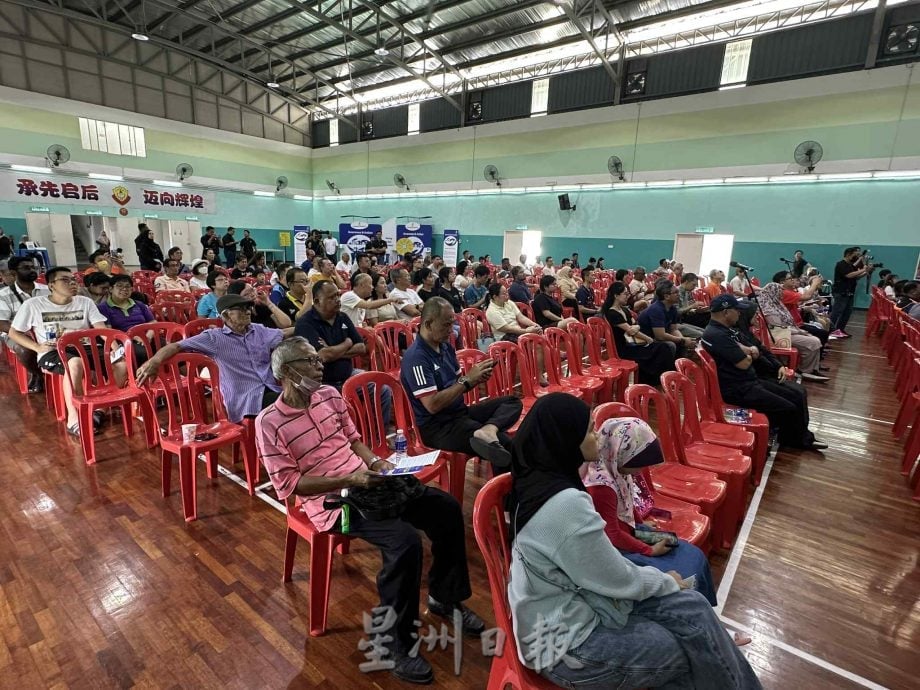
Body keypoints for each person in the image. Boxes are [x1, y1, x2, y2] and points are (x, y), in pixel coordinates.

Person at [255, 337, 483, 684]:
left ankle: (443, 598)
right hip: (332, 501)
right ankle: (397, 645)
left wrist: (377, 463)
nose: (320, 366)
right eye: (310, 361)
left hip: (366, 479)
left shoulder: (330, 396)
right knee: (404, 543)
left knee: (444, 508)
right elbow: (290, 484)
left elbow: (353, 440)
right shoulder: (269, 423)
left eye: (319, 359)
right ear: (287, 372)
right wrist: (351, 478)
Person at [507, 393, 762, 688]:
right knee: (698, 648)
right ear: (566, 438)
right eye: (590, 430)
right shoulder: (565, 505)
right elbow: (614, 577)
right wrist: (667, 581)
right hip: (566, 647)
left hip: (583, 606)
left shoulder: (538, 479)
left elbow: (605, 569)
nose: (598, 438)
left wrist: (664, 582)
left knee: (693, 610)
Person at [582, 416, 718, 606]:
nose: (640, 471)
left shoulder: (615, 467)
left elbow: (627, 498)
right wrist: (649, 550)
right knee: (686, 570)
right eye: (637, 465)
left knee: (693, 553)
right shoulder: (601, 486)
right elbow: (611, 534)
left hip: (631, 531)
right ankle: (697, 609)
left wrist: (640, 522)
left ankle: (707, 610)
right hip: (616, 546)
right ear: (619, 452)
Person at [401, 298, 523, 469]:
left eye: (452, 324)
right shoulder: (416, 358)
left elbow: (458, 386)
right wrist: (467, 380)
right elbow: (432, 405)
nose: (451, 330)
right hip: (437, 427)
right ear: (428, 324)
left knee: (512, 402)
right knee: (502, 446)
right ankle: (505, 492)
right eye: (446, 325)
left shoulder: (445, 348)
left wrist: (477, 378)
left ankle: (488, 430)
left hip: (459, 414)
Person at [137, 293, 294, 422]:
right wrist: (155, 360)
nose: (247, 312)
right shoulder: (214, 338)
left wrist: (308, 325)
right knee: (291, 404)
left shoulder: (258, 330)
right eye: (240, 309)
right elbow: (177, 346)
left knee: (304, 395)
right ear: (225, 315)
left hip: (271, 388)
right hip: (246, 398)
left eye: (248, 308)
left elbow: (285, 333)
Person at [701, 294, 827, 450]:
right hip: (738, 389)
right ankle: (792, 440)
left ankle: (799, 437)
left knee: (796, 395)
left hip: (749, 382)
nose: (739, 314)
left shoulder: (725, 331)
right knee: (788, 407)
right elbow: (744, 363)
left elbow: (753, 349)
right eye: (736, 310)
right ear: (726, 312)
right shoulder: (716, 334)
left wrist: (749, 350)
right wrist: (749, 351)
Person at [9, 267, 123, 437]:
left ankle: (100, 410)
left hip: (86, 348)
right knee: (75, 363)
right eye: (65, 280)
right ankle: (74, 418)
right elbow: (14, 333)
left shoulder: (85, 302)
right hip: (53, 350)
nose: (71, 283)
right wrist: (38, 348)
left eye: (73, 280)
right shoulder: (33, 305)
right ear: (51, 285)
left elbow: (102, 330)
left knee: (122, 364)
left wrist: (117, 351)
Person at [294, 281, 392, 422]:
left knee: (381, 389)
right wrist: (347, 343)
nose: (337, 300)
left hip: (348, 374)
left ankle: (378, 436)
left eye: (338, 295)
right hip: (322, 383)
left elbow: (361, 347)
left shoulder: (342, 317)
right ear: (316, 301)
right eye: (331, 297)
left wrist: (333, 351)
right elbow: (323, 356)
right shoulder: (305, 323)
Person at [601, 282, 675, 386]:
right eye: (625, 294)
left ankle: (660, 380)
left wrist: (635, 328)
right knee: (662, 348)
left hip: (633, 344)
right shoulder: (612, 313)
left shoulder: (625, 310)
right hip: (624, 348)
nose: (628, 296)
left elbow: (636, 325)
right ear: (616, 295)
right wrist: (649, 339)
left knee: (664, 347)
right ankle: (659, 381)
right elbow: (631, 330)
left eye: (628, 294)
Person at [759, 280, 829, 382]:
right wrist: (799, 332)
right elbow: (780, 327)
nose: (781, 293)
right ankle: (805, 371)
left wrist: (799, 331)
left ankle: (813, 369)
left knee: (814, 339)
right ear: (773, 293)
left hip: (788, 332)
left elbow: (788, 324)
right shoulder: (769, 310)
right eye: (779, 291)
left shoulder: (777, 305)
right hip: (778, 336)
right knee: (813, 341)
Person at [0, 256, 51, 391]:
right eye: (26, 268)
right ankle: (39, 375)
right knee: (25, 349)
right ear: (13, 273)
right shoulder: (4, 294)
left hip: (47, 330)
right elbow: (2, 322)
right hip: (17, 333)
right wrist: (22, 332)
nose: (32, 270)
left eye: (33, 267)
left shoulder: (47, 290)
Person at [637, 280, 695, 359]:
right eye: (675, 293)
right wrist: (682, 340)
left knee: (682, 342)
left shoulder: (672, 308)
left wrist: (683, 339)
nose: (678, 294)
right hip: (647, 341)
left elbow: (673, 329)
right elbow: (660, 336)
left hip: (658, 337)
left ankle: (679, 367)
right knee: (671, 345)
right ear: (666, 296)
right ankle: (666, 369)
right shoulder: (656, 309)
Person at [829, 246, 872, 338]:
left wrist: (866, 272)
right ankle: (831, 330)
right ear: (849, 255)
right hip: (841, 292)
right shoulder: (841, 264)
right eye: (856, 255)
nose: (858, 257)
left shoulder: (850, 265)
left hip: (849, 292)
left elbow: (855, 277)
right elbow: (848, 275)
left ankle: (840, 329)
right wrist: (864, 269)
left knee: (847, 313)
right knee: (837, 312)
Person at [227, 280, 291, 329]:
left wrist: (269, 303)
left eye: (252, 290)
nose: (252, 294)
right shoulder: (241, 317)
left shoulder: (261, 307)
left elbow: (286, 324)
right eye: (246, 294)